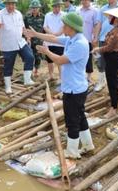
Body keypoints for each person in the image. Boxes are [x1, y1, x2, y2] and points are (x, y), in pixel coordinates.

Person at [25, 12, 95, 159]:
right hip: (74, 87)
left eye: (65, 24)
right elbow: (53, 38)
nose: (62, 26)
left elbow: (61, 60)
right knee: (80, 117)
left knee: (72, 121)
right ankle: (88, 145)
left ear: (71, 27)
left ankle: (72, 152)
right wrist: (36, 33)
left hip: (75, 90)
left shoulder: (80, 44)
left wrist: (46, 51)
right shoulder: (72, 38)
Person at [0, 0, 35, 94]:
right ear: (5, 5)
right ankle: (8, 87)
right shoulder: (0, 14)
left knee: (30, 57)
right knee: (8, 65)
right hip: (8, 44)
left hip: (20, 42)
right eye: (9, 4)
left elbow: (22, 27)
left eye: (13, 4)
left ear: (15, 4)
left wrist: (27, 36)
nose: (11, 6)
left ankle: (27, 80)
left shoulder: (18, 13)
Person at [93, 0, 118, 92]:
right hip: (103, 38)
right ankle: (101, 82)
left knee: (112, 68)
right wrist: (96, 37)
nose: (109, 18)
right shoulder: (102, 8)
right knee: (101, 63)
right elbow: (99, 23)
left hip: (115, 41)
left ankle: (116, 87)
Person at [43, 0, 65, 80]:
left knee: (60, 60)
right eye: (55, 6)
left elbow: (64, 27)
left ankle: (62, 77)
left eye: (59, 6)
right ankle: (51, 76)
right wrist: (52, 34)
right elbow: (45, 27)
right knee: (49, 60)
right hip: (49, 41)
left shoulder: (64, 15)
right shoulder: (47, 15)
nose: (57, 8)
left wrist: (57, 34)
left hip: (60, 41)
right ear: (53, 7)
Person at [78, 0, 99, 83]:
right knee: (79, 57)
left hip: (88, 39)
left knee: (89, 58)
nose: (85, 1)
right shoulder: (78, 11)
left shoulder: (94, 11)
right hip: (78, 39)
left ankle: (89, 77)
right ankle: (80, 75)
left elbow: (96, 25)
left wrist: (95, 37)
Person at [24, 0, 45, 77]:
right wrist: (26, 37)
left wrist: (44, 40)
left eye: (36, 7)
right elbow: (24, 28)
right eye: (33, 7)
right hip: (29, 40)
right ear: (31, 8)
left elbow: (45, 29)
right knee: (29, 56)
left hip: (39, 41)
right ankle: (30, 70)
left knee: (38, 56)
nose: (34, 9)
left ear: (39, 8)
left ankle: (36, 70)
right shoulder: (27, 17)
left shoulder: (43, 17)